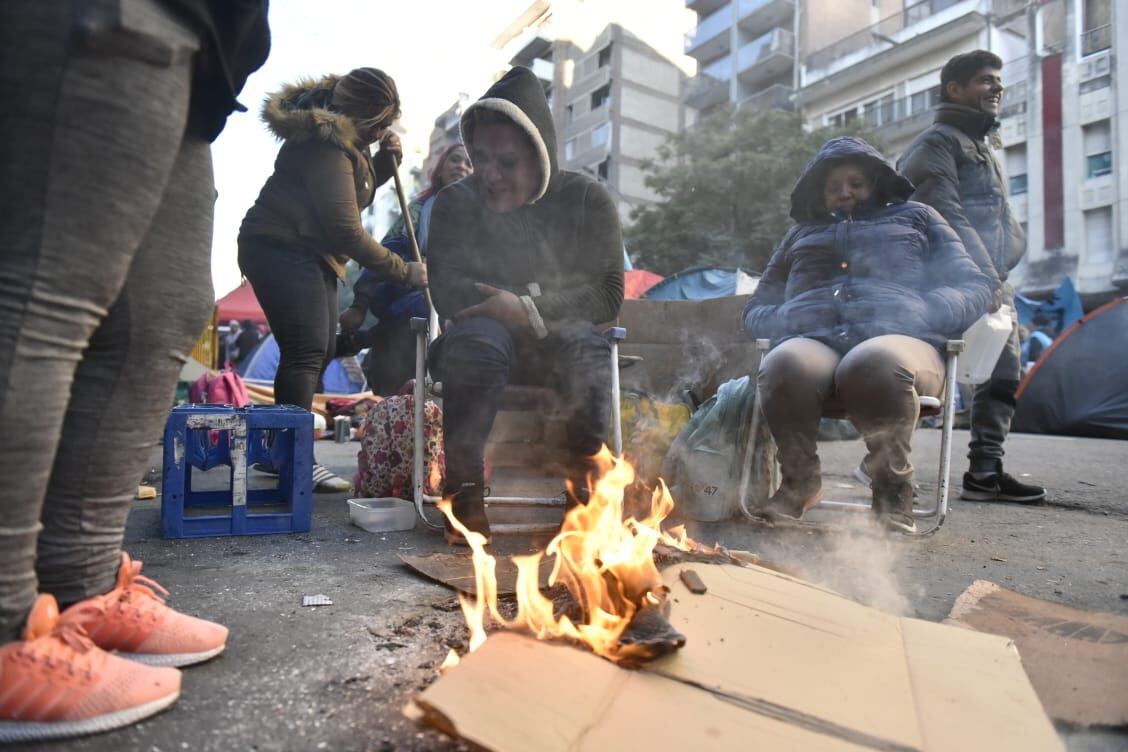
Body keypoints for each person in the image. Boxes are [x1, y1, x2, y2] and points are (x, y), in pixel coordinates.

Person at [0, 0, 269, 741]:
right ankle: (5, 627)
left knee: (165, 308)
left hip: (204, 44)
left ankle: (79, 583)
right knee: (48, 288)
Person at [743, 136, 992, 533]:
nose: (845, 193)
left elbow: (975, 285)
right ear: (818, 193)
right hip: (819, 341)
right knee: (783, 362)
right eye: (833, 186)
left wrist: (926, 310)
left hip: (903, 344)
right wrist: (788, 317)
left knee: (872, 361)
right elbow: (756, 309)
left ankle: (892, 490)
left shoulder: (918, 217)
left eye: (856, 183)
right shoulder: (799, 234)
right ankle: (800, 481)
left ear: (876, 182)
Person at [427, 66, 625, 543]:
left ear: (540, 155)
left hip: (556, 344)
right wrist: (521, 306)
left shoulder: (585, 199)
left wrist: (526, 306)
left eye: (508, 163)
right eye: (481, 158)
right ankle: (466, 497)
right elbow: (448, 288)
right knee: (478, 341)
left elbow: (607, 292)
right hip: (482, 340)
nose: (490, 176)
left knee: (585, 345)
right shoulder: (456, 203)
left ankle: (582, 503)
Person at [238, 67, 427, 491]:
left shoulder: (346, 146)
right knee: (306, 350)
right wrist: (405, 270)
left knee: (318, 348)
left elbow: (350, 190)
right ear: (361, 118)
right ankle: (291, 462)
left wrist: (381, 163)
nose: (382, 133)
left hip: (309, 251)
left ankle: (278, 457)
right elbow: (346, 229)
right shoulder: (327, 148)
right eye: (379, 127)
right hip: (282, 246)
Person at [898, 50, 1046, 504]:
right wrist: (985, 276)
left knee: (1002, 377)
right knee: (924, 378)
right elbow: (947, 214)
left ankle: (985, 472)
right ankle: (883, 468)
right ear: (954, 90)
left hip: (993, 283)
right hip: (948, 285)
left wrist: (1007, 262)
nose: (996, 88)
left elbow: (1001, 217)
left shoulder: (982, 147)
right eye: (986, 80)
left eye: (998, 80)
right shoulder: (936, 144)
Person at [340, 142, 473, 395]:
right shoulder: (419, 211)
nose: (462, 167)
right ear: (441, 168)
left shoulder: (485, 218)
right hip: (411, 306)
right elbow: (385, 255)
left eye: (469, 163)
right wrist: (359, 306)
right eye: (455, 159)